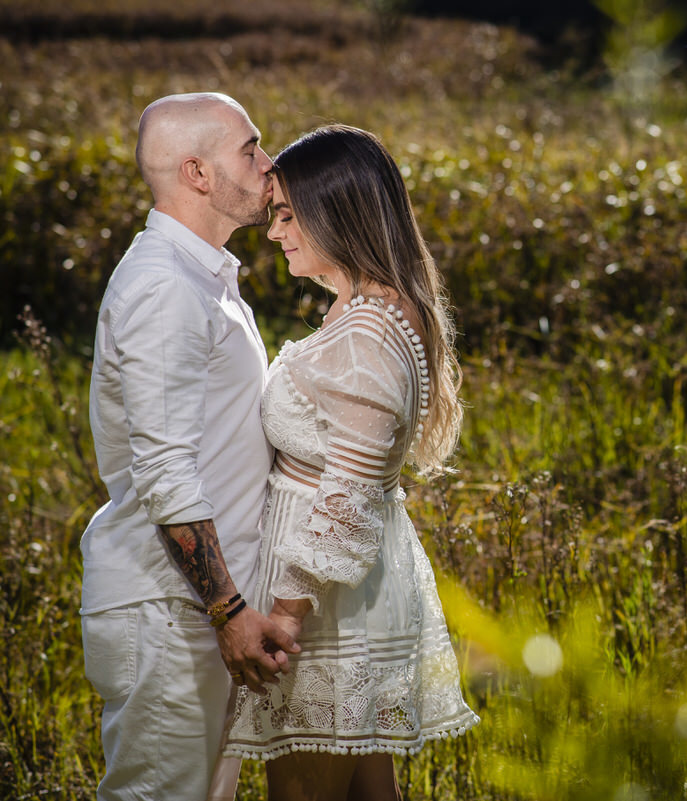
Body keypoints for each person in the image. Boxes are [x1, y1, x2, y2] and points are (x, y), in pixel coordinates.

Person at [222, 124, 478, 800]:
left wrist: (286, 615)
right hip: (338, 592)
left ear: (335, 211)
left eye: (286, 214)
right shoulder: (367, 307)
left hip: (323, 604)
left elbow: (348, 498)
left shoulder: (369, 334)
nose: (274, 232)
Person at [81, 92, 301, 801]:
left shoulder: (204, 278)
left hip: (202, 609)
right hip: (171, 612)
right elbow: (165, 470)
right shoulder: (164, 288)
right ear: (197, 173)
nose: (269, 165)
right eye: (251, 149)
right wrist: (228, 612)